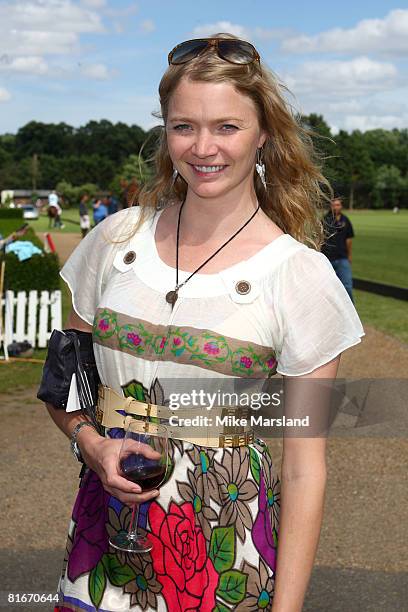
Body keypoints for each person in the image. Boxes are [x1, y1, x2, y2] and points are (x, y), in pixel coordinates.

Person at [40, 34, 365, 611]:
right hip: (104, 547)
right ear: (164, 132)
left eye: (227, 127)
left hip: (226, 558)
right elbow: (67, 384)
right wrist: (89, 442)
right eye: (184, 125)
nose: (203, 146)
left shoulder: (301, 276)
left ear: (264, 134)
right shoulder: (115, 241)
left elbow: (304, 467)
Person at [321, 197, 355, 302]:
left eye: (338, 205)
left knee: (347, 286)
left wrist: (349, 255)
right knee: (327, 288)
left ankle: (350, 312)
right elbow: (319, 239)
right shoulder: (325, 220)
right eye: (333, 205)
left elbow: (349, 239)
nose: (336, 207)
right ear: (330, 207)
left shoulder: (345, 220)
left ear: (341, 206)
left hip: (342, 257)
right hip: (328, 258)